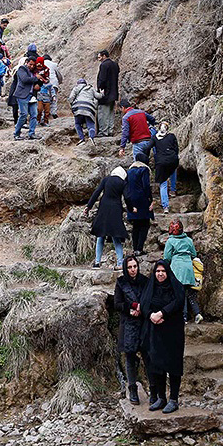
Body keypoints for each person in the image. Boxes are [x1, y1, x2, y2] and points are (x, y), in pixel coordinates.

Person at [139, 259, 186, 413]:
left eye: (163, 271)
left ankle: (173, 399)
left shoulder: (175, 286)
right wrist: (151, 315)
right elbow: (144, 304)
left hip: (172, 333)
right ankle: (161, 398)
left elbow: (178, 302)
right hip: (155, 333)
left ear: (168, 272)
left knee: (173, 366)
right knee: (156, 365)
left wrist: (162, 313)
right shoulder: (151, 286)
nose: (160, 274)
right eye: (157, 271)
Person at [114, 255, 149, 405]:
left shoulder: (145, 281)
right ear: (125, 269)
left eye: (135, 266)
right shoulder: (121, 283)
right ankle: (132, 388)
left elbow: (150, 299)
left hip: (144, 322)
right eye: (130, 267)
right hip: (128, 323)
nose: (133, 270)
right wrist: (131, 308)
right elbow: (117, 303)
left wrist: (143, 308)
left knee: (148, 356)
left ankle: (153, 390)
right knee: (130, 357)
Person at [84, 166, 128, 269]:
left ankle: (97, 262)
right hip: (116, 209)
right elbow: (127, 197)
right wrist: (131, 208)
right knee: (116, 236)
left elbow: (97, 192)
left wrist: (88, 206)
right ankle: (120, 263)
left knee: (100, 235)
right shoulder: (123, 183)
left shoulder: (106, 179)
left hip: (103, 208)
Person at [163, 219, 201, 323]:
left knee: (180, 294)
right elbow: (194, 254)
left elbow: (166, 257)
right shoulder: (188, 240)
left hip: (177, 269)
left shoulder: (170, 241)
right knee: (190, 294)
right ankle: (197, 313)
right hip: (188, 268)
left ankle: (183, 317)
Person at [124, 153, 154, 256]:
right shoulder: (144, 170)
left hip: (132, 200)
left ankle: (135, 248)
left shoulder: (130, 170)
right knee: (144, 224)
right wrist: (150, 200)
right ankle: (140, 248)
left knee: (136, 226)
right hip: (142, 199)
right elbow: (146, 186)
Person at [147, 122, 179, 212]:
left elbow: (148, 147)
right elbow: (176, 148)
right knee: (173, 170)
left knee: (163, 184)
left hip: (161, 162)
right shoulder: (172, 136)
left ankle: (165, 206)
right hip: (172, 159)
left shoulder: (155, 138)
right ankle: (173, 190)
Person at [11, 56, 41, 140]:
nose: (31, 66)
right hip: (22, 95)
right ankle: (16, 133)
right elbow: (24, 79)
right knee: (23, 114)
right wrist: (36, 78)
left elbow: (40, 82)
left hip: (32, 96)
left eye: (33, 65)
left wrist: (39, 85)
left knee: (34, 115)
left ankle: (32, 133)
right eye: (30, 64)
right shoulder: (21, 69)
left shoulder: (35, 72)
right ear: (27, 62)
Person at [69, 78, 104, 145]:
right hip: (89, 108)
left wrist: (72, 105)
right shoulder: (91, 88)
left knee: (77, 124)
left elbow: (71, 98)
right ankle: (91, 137)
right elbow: (98, 96)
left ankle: (82, 139)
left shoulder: (75, 88)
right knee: (90, 124)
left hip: (78, 107)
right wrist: (102, 94)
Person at [96, 50, 120, 137]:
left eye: (99, 57)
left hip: (105, 92)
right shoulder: (115, 64)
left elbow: (102, 79)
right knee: (110, 112)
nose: (99, 59)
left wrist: (100, 88)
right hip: (114, 92)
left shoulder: (104, 65)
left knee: (103, 113)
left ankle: (103, 131)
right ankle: (110, 130)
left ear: (104, 56)